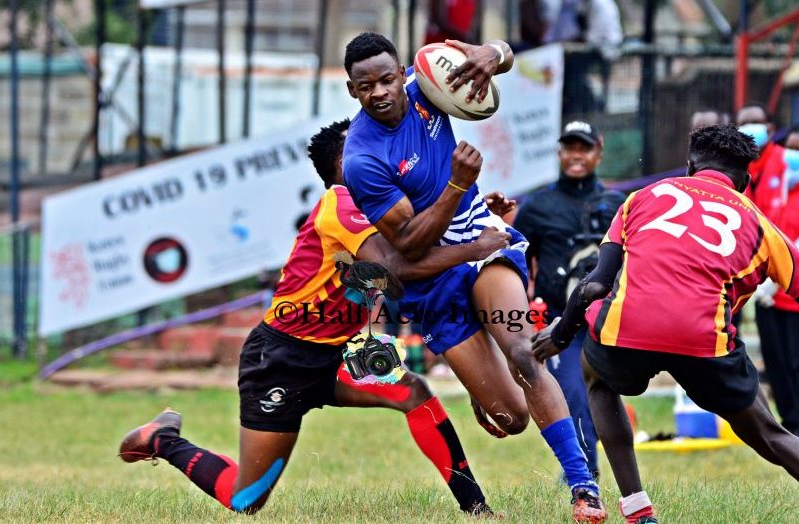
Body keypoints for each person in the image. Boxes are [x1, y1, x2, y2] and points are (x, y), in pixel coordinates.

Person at [117, 119, 516, 516]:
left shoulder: (382, 204)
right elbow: (395, 268)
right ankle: (162, 440)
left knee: (413, 392)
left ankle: (477, 509)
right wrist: (472, 248)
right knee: (246, 499)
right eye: (366, 143)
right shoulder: (341, 203)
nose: (380, 150)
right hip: (281, 360)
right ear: (343, 162)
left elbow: (422, 240)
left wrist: (472, 220)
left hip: (338, 354)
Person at [341, 32, 607, 522]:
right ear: (352, 91)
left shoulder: (426, 86)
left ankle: (583, 486)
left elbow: (495, 59)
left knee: (525, 353)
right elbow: (410, 245)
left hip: (482, 239)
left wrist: (493, 54)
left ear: (402, 74)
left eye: (385, 79)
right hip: (433, 273)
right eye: (364, 86)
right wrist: (458, 184)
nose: (378, 92)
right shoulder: (362, 160)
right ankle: (483, 383)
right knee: (513, 417)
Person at [531, 124, 799, 523]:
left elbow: (596, 284)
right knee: (772, 435)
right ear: (744, 181)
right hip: (704, 339)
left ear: (689, 166)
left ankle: (638, 510)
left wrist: (561, 332)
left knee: (596, 377)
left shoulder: (641, 198)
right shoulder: (762, 225)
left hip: (628, 329)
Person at [512, 120, 626, 478]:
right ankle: (584, 473)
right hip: (561, 322)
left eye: (585, 148)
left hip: (610, 318)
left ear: (598, 151)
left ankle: (609, 470)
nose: (577, 156)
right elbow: (517, 259)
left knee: (604, 394)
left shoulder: (617, 204)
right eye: (570, 148)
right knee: (574, 394)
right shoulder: (538, 206)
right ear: (559, 153)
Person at [748, 121, 799, 446]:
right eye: (790, 148)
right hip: (772, 291)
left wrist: (780, 278)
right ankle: (791, 425)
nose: (793, 155)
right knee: (777, 361)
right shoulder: (782, 183)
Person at [736, 102, 780, 194]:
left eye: (755, 122)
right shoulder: (734, 164)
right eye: (743, 124)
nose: (749, 127)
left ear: (771, 128)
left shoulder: (785, 161)